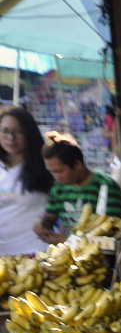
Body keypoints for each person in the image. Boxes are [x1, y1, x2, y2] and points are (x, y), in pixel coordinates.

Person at [35, 132, 121, 243]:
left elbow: (112, 231)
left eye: (59, 171)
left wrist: (67, 241)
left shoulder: (106, 187)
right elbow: (50, 216)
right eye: (51, 172)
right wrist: (43, 225)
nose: (55, 176)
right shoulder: (59, 188)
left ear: (77, 165)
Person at [0, 106, 54, 255]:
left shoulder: (47, 167)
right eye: (5, 131)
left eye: (18, 132)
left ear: (29, 133)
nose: (11, 137)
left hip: (37, 254)